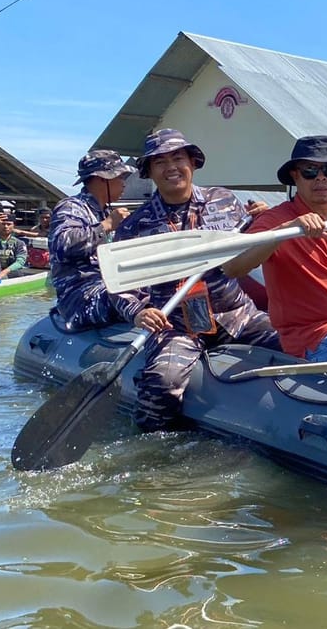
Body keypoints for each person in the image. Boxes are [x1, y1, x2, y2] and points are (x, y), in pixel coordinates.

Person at [115, 128, 281, 432]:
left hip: (236, 315)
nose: (171, 168)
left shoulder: (226, 200)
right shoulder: (134, 227)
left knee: (293, 340)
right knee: (162, 384)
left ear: (192, 162)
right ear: (149, 172)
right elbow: (120, 285)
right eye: (160, 162)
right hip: (177, 325)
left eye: (178, 158)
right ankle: (156, 459)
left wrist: (266, 220)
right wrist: (138, 311)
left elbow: (247, 246)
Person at [221, 135, 327, 361]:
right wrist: (285, 231)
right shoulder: (275, 220)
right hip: (313, 337)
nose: (321, 178)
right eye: (310, 170)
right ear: (295, 176)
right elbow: (233, 268)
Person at [49, 150, 135, 330]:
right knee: (125, 296)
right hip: (80, 297)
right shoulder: (72, 207)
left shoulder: (103, 212)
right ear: (102, 179)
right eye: (120, 177)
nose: (124, 183)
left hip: (106, 286)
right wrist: (106, 225)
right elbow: (62, 245)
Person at [0, 213, 29, 280]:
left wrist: (5, 271)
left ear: (13, 226)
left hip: (12, 273)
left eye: (9, 224)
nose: (6, 226)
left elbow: (20, 261)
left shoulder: (19, 243)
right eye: (3, 224)